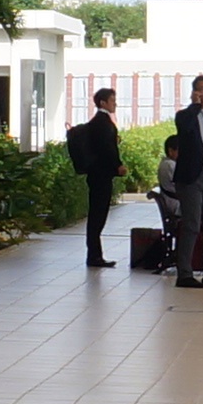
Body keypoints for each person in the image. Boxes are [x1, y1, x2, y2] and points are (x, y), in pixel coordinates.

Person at [163, 77, 203, 283]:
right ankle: (185, 273)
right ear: (194, 92)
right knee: (191, 224)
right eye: (201, 90)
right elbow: (186, 129)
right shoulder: (185, 115)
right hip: (192, 177)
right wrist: (193, 105)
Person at [65, 86, 126, 271]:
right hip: (101, 174)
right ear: (103, 103)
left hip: (97, 174)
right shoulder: (102, 122)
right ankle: (94, 255)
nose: (115, 104)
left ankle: (95, 254)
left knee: (98, 214)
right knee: (98, 215)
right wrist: (118, 165)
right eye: (112, 101)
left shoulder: (101, 122)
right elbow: (106, 149)